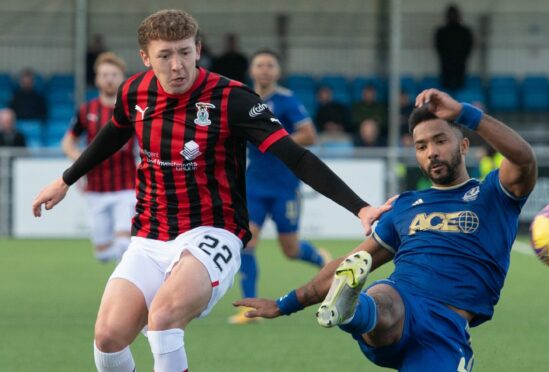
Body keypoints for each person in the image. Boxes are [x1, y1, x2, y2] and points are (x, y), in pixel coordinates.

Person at [31, 9, 391, 372]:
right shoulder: (134, 92)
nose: (177, 66)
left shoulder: (233, 98)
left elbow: (296, 157)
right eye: (165, 55)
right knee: (107, 340)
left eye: (185, 52)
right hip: (150, 235)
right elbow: (114, 133)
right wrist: (66, 180)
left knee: (164, 319)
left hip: (213, 230)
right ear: (145, 58)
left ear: (198, 49)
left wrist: (360, 208)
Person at [235, 88, 537, 371]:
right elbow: (350, 262)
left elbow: (523, 158)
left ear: (464, 144)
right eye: (421, 146)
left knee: (386, 305)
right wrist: (284, 304)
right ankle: (352, 309)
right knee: (384, 297)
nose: (431, 152)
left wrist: (464, 113)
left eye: (440, 141)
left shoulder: (494, 194)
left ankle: (354, 308)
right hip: (400, 306)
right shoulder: (405, 207)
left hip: (446, 329)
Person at [228, 49, 331, 325]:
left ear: (277, 71)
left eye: (269, 65)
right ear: (251, 71)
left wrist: (274, 139)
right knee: (247, 242)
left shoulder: (286, 100)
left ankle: (321, 258)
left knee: (290, 250)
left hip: (285, 185)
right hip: (253, 185)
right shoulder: (242, 99)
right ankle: (248, 309)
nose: (264, 70)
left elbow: (309, 135)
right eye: (259, 65)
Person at [61, 52, 135, 263]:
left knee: (125, 244)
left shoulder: (132, 110)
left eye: (113, 74)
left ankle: (128, 291)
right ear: (96, 79)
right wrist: (81, 159)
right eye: (104, 74)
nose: (109, 79)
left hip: (127, 188)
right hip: (96, 190)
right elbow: (67, 142)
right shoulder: (86, 110)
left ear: (122, 77)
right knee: (103, 254)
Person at [434, 4, 474, 91]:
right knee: (446, 87)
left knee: (460, 86)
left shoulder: (465, 31)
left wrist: (462, 56)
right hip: (446, 63)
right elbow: (438, 46)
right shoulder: (441, 32)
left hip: (460, 63)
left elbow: (469, 46)